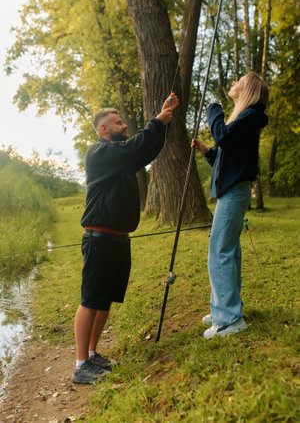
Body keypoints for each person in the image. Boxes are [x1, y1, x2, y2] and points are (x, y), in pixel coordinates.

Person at [73, 92, 179, 383]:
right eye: (117, 123)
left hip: (118, 239)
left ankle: (93, 355)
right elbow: (135, 148)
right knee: (91, 299)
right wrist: (156, 120)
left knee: (104, 300)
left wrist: (164, 121)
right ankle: (81, 365)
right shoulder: (100, 153)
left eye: (123, 122)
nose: (123, 126)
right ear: (104, 129)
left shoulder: (121, 158)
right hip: (99, 239)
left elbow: (144, 150)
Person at [193, 72, 268, 339]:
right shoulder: (245, 119)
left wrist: (213, 108)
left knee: (220, 252)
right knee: (227, 250)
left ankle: (229, 319)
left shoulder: (248, 116)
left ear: (247, 89)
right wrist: (206, 151)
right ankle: (224, 308)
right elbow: (227, 160)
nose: (233, 82)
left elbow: (222, 137)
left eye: (239, 80)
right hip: (232, 192)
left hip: (234, 194)